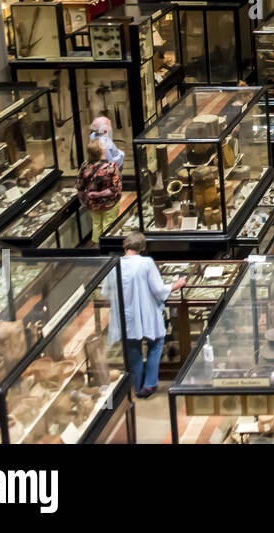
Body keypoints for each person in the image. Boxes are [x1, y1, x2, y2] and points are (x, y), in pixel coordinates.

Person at [113, 232, 185, 398]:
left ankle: (137, 386)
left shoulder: (116, 263)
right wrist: (177, 284)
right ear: (142, 247)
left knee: (133, 350)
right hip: (147, 313)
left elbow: (107, 290)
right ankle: (150, 384)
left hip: (127, 316)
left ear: (125, 246)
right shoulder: (146, 263)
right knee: (156, 344)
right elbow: (159, 289)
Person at [77, 140, 122, 244]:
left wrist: (83, 201)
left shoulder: (85, 165)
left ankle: (98, 248)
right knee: (109, 224)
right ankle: (108, 247)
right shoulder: (111, 167)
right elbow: (115, 188)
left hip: (93, 203)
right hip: (110, 202)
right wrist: (99, 194)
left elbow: (79, 186)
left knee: (96, 224)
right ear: (102, 151)